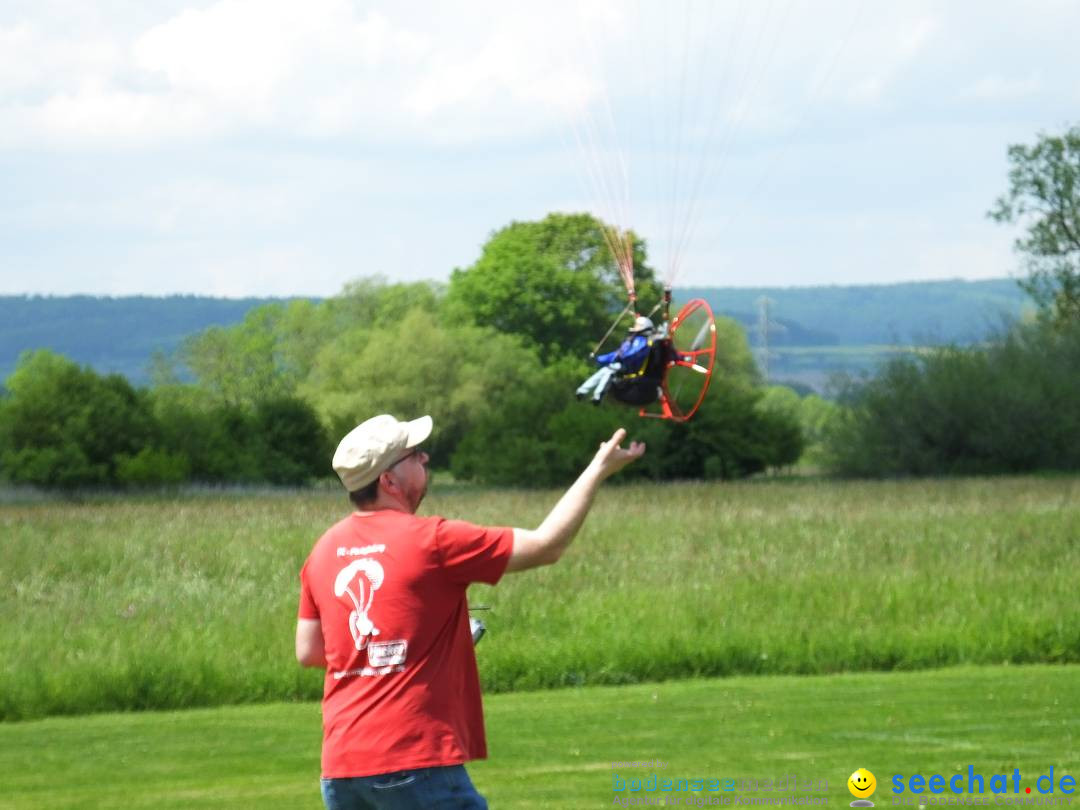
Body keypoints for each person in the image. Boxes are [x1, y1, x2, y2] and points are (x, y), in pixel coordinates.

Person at [296, 413, 645, 810]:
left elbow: (308, 651)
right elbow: (546, 545)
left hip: (341, 768)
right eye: (414, 454)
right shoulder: (433, 540)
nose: (425, 458)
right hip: (412, 758)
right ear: (388, 481)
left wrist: (407, 645)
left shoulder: (323, 550)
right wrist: (598, 469)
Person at [576, 315, 655, 404]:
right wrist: (598, 359)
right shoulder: (631, 340)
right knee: (605, 370)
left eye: (637, 325)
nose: (635, 326)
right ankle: (582, 391)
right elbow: (616, 354)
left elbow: (631, 354)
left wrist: (621, 356)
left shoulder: (641, 341)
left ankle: (598, 396)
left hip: (631, 368)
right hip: (623, 365)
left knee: (610, 371)